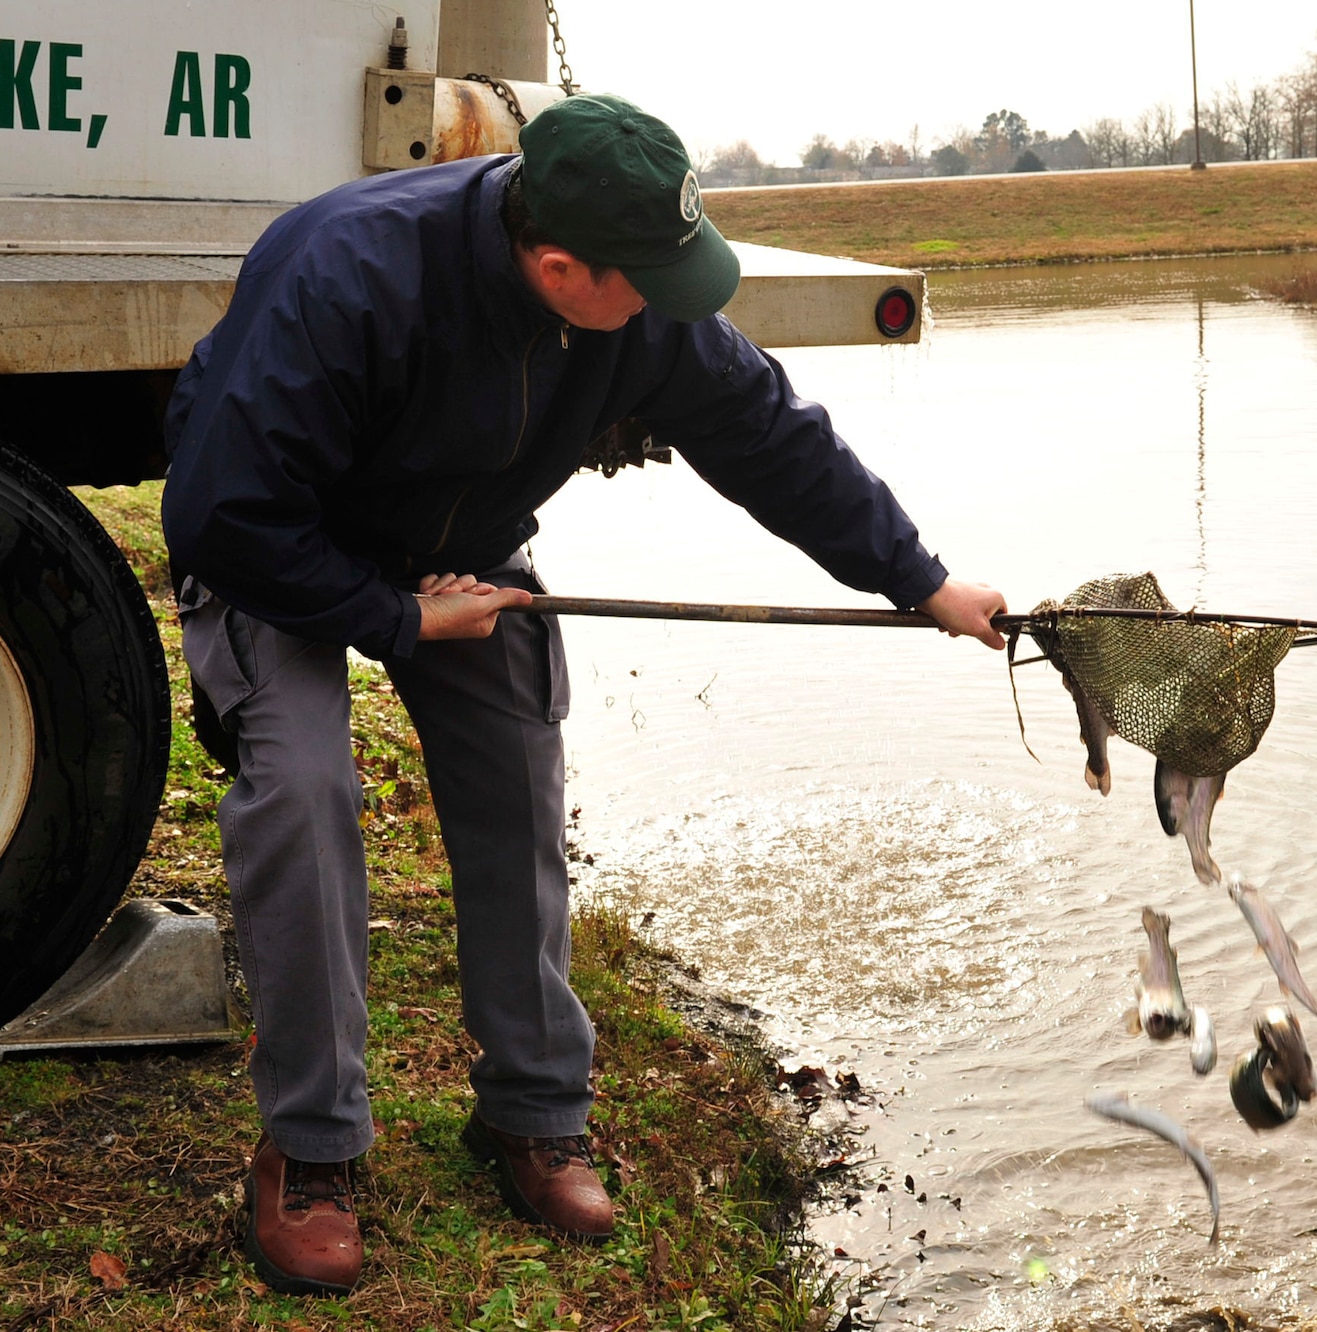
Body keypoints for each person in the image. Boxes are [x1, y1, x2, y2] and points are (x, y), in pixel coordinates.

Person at [159, 93, 1005, 1297]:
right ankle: (312, 1149)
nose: (679, 304)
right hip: (274, 545)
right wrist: (394, 619)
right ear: (559, 267)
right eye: (652, 282)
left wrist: (922, 583)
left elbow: (771, 438)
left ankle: (531, 1114)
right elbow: (218, 512)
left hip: (459, 547)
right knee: (301, 792)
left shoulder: (638, 308)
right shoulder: (344, 270)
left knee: (516, 770)